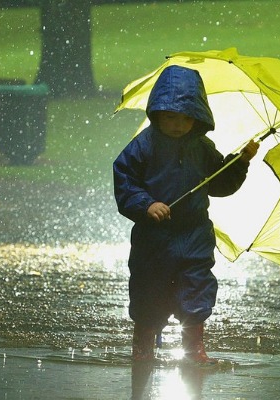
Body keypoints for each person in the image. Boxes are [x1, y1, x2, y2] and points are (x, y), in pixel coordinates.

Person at [113, 65, 259, 364]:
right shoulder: (143, 146)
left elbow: (219, 183)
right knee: (149, 289)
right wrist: (146, 204)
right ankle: (143, 346)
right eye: (171, 117)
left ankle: (194, 349)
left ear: (198, 116)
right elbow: (125, 180)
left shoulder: (202, 147)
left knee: (197, 286)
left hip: (194, 233)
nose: (178, 125)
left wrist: (240, 162)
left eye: (185, 118)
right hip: (154, 237)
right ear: (157, 114)